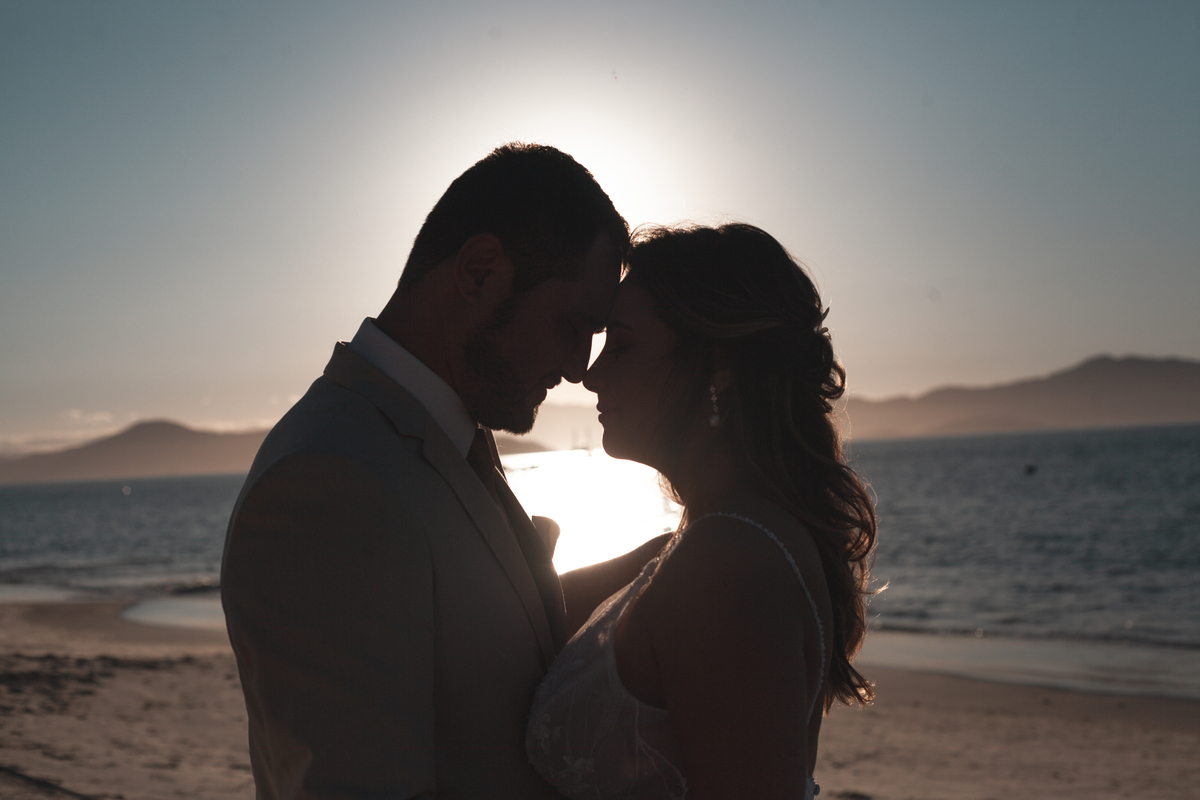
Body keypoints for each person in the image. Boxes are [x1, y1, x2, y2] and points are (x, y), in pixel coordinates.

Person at [222, 143, 665, 799]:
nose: (579, 367)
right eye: (575, 326)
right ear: (480, 272)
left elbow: (484, 627)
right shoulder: (327, 481)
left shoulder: (436, 438)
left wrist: (665, 569)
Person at [526, 223, 878, 800]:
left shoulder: (730, 564)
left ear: (718, 366)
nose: (591, 372)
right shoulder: (708, 542)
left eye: (623, 343)